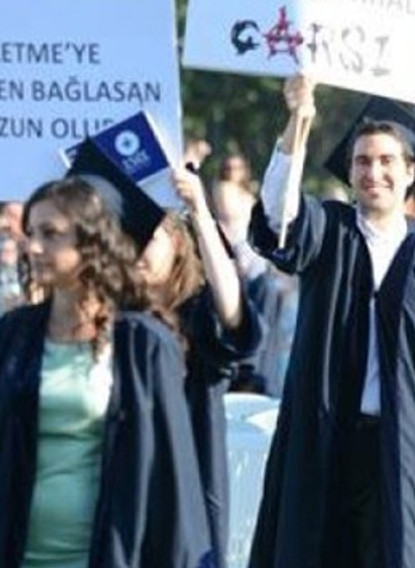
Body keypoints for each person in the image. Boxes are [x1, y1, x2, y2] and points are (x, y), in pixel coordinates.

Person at [247, 77, 415, 568]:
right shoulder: (329, 232)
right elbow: (278, 213)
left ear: (412, 172)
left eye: (387, 161)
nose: (375, 172)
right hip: (325, 441)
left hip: (406, 450)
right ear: (349, 172)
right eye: (363, 161)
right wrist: (298, 124)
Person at [0, 138, 213, 568]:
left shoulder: (143, 345)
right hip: (9, 552)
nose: (34, 246)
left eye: (51, 234)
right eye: (32, 233)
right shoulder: (11, 337)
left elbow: (172, 487)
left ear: (93, 243)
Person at [137, 161, 262, 563]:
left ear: (176, 243)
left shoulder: (196, 316)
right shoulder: (113, 316)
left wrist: (199, 210)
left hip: (186, 484)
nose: (137, 248)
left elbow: (233, 314)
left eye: (150, 237)